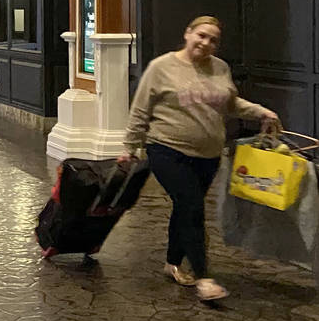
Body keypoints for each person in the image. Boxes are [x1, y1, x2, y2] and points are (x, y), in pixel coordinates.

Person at [120, 15, 280, 301]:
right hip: (167, 148)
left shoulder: (220, 68)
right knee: (192, 206)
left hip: (208, 155)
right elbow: (140, 110)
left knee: (185, 208)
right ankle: (203, 277)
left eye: (213, 40)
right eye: (201, 35)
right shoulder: (162, 67)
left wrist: (261, 112)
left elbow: (230, 103)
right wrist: (130, 146)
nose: (206, 43)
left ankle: (172, 262)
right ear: (188, 33)